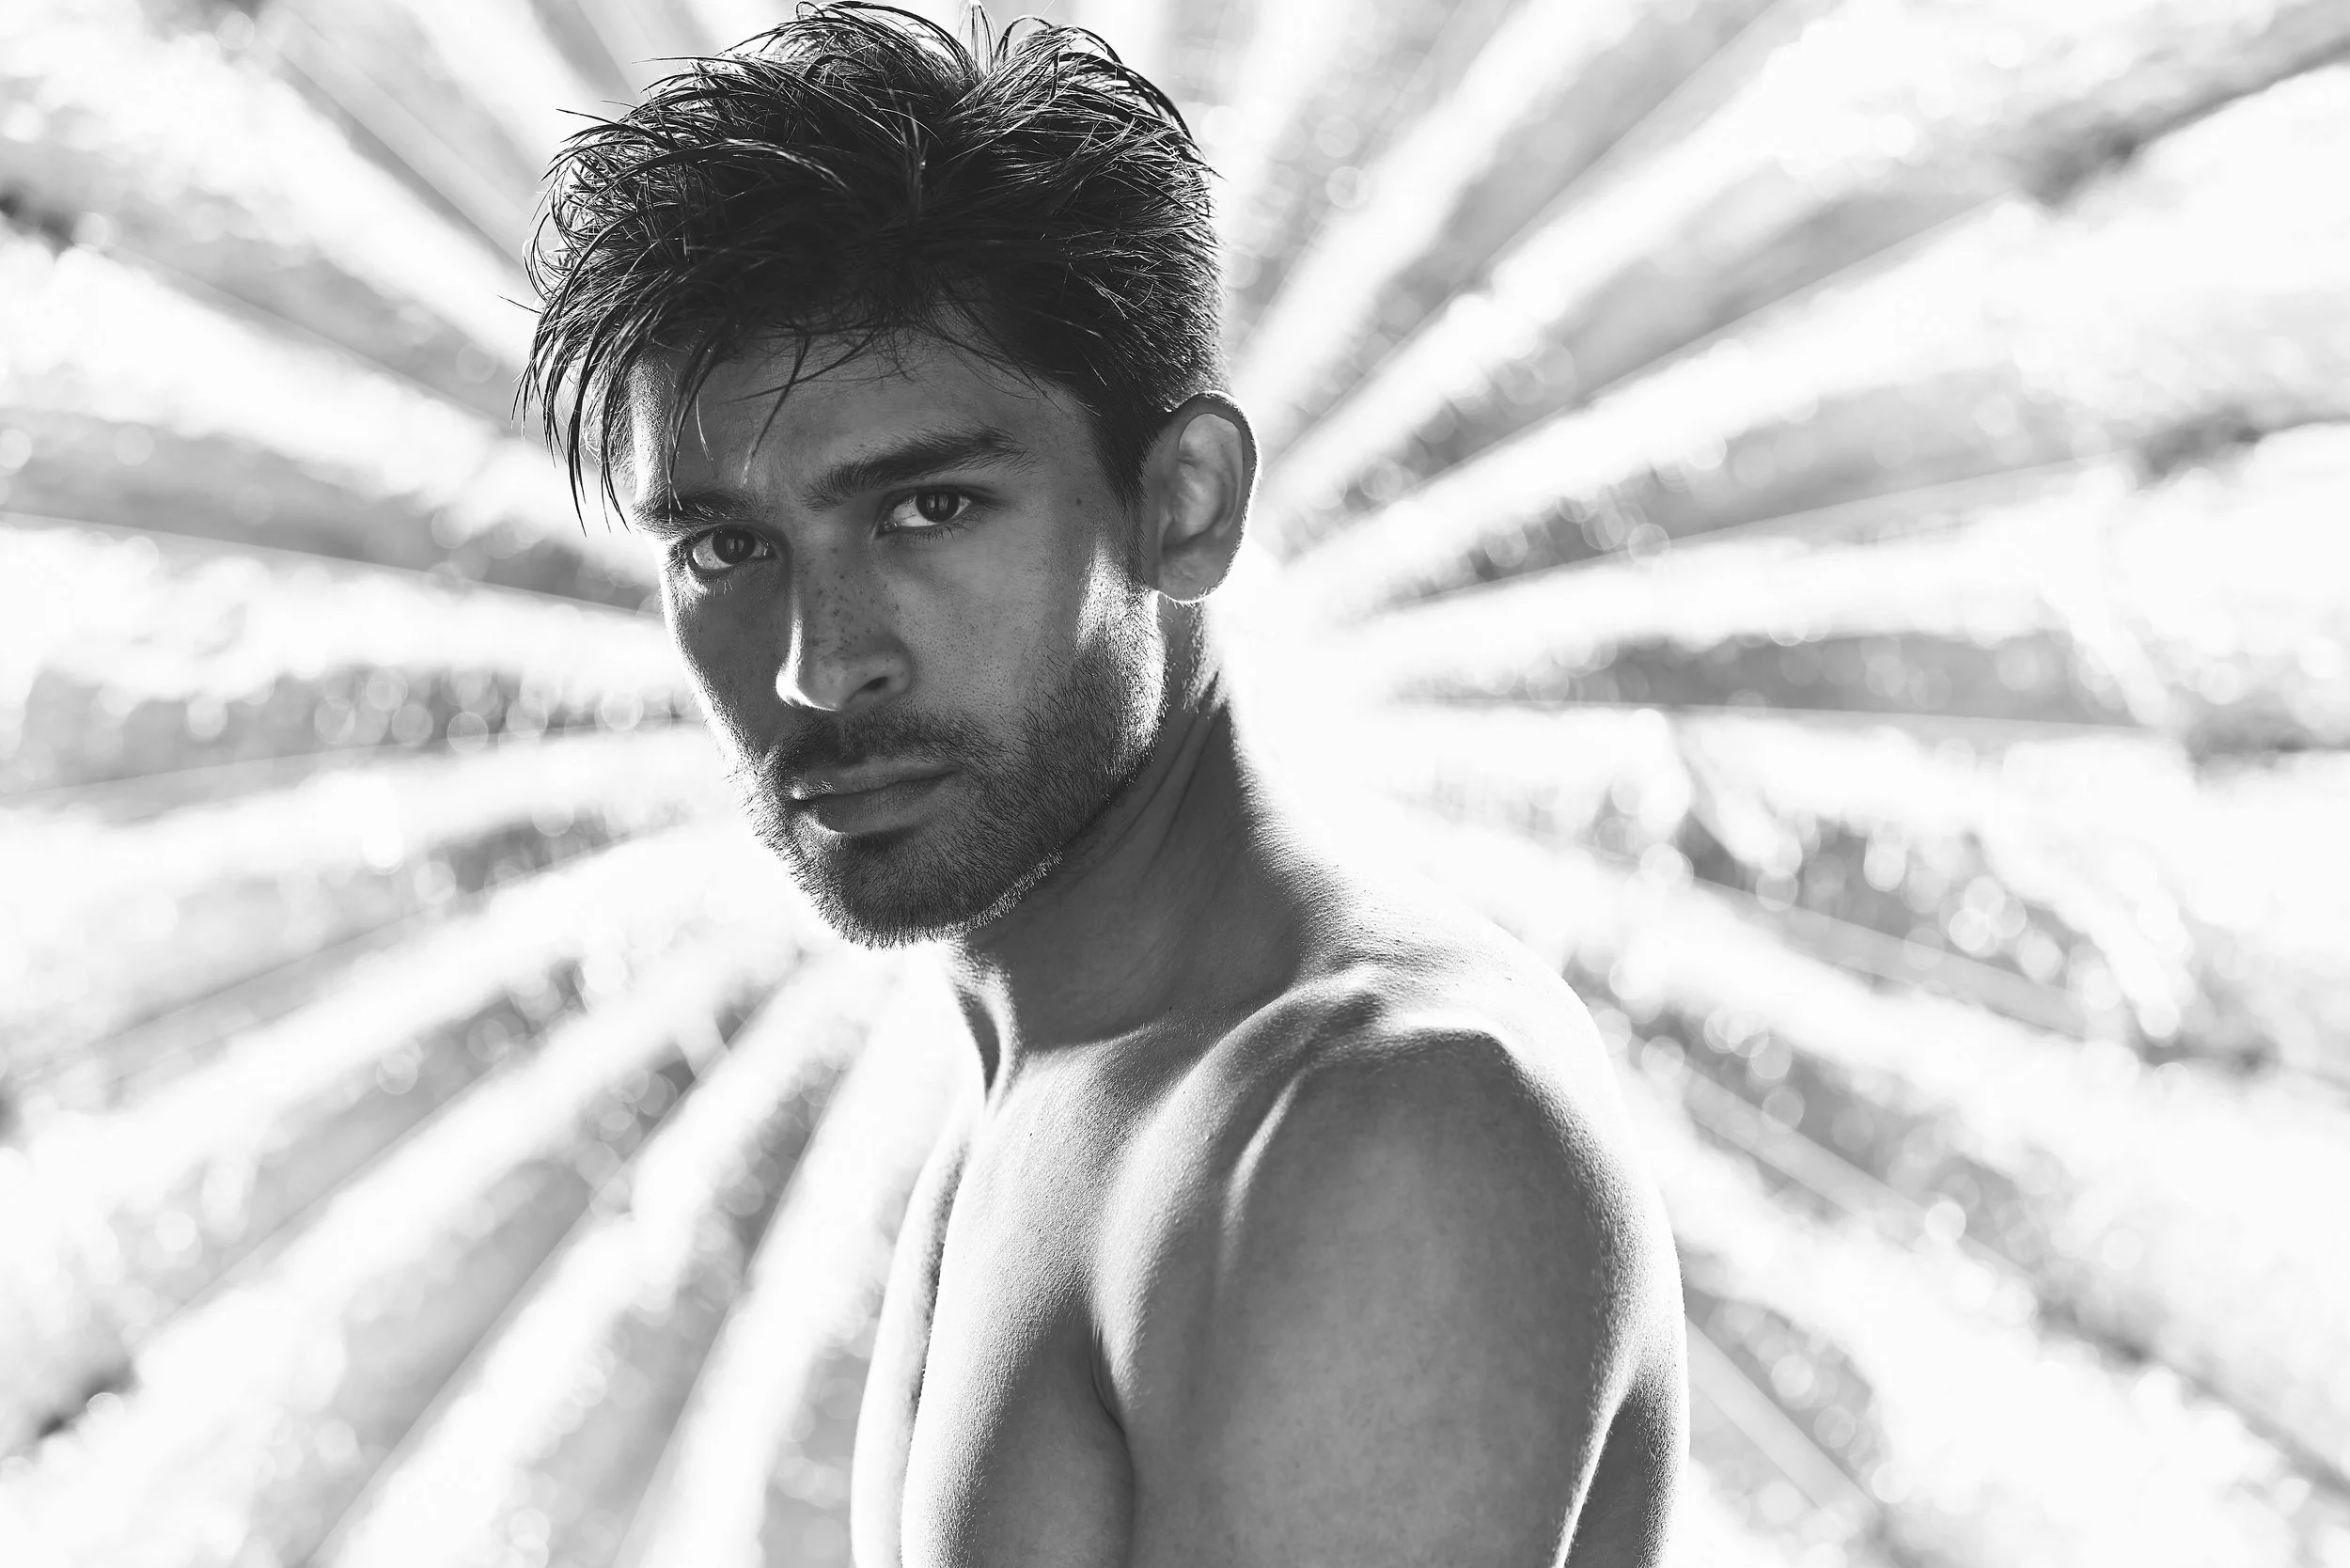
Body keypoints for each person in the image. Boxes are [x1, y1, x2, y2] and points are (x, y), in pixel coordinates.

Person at [526, 7, 1685, 1562]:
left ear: (1182, 505)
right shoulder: (1047, 1083)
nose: (816, 665)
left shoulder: (1371, 1134)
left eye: (927, 507)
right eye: (727, 548)